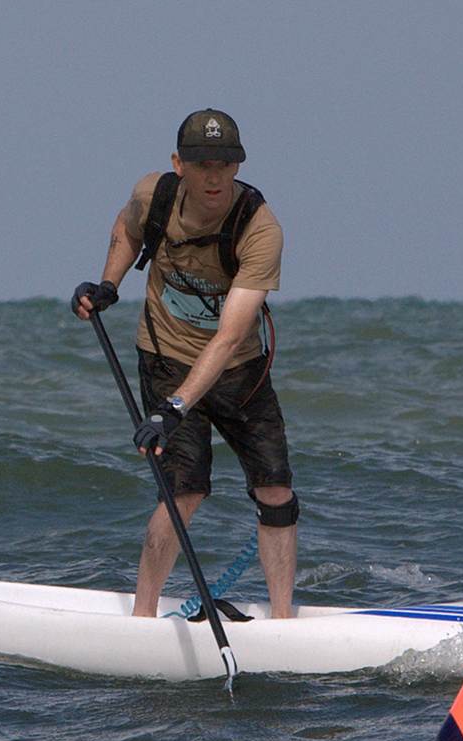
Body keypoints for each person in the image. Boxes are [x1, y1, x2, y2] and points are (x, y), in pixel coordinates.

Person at [71, 109, 298, 619]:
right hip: (166, 357)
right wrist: (109, 285)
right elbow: (126, 230)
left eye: (225, 163)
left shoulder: (260, 229)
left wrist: (174, 409)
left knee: (276, 491)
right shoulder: (154, 195)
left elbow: (230, 335)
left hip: (240, 368)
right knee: (184, 491)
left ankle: (285, 623)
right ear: (179, 164)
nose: (214, 176)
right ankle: (143, 617)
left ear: (238, 165)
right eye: (201, 164)